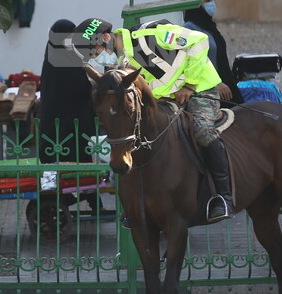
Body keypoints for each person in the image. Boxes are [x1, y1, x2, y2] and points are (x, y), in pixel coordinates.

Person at [73, 18, 234, 222]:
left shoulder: (149, 35)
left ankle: (223, 197)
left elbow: (200, 41)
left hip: (200, 91)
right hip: (168, 99)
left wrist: (190, 86)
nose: (96, 57)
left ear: (105, 37)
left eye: (95, 51)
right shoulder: (120, 63)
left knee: (202, 130)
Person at [39, 19, 98, 163]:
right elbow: (76, 84)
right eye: (70, 36)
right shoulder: (58, 57)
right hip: (66, 115)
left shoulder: (62, 54)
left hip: (70, 112)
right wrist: (92, 85)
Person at [183, 0, 243, 105]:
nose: (212, 4)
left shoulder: (210, 27)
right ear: (197, 5)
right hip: (207, 92)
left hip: (226, 88)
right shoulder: (189, 29)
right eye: (208, 1)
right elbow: (195, 62)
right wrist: (215, 83)